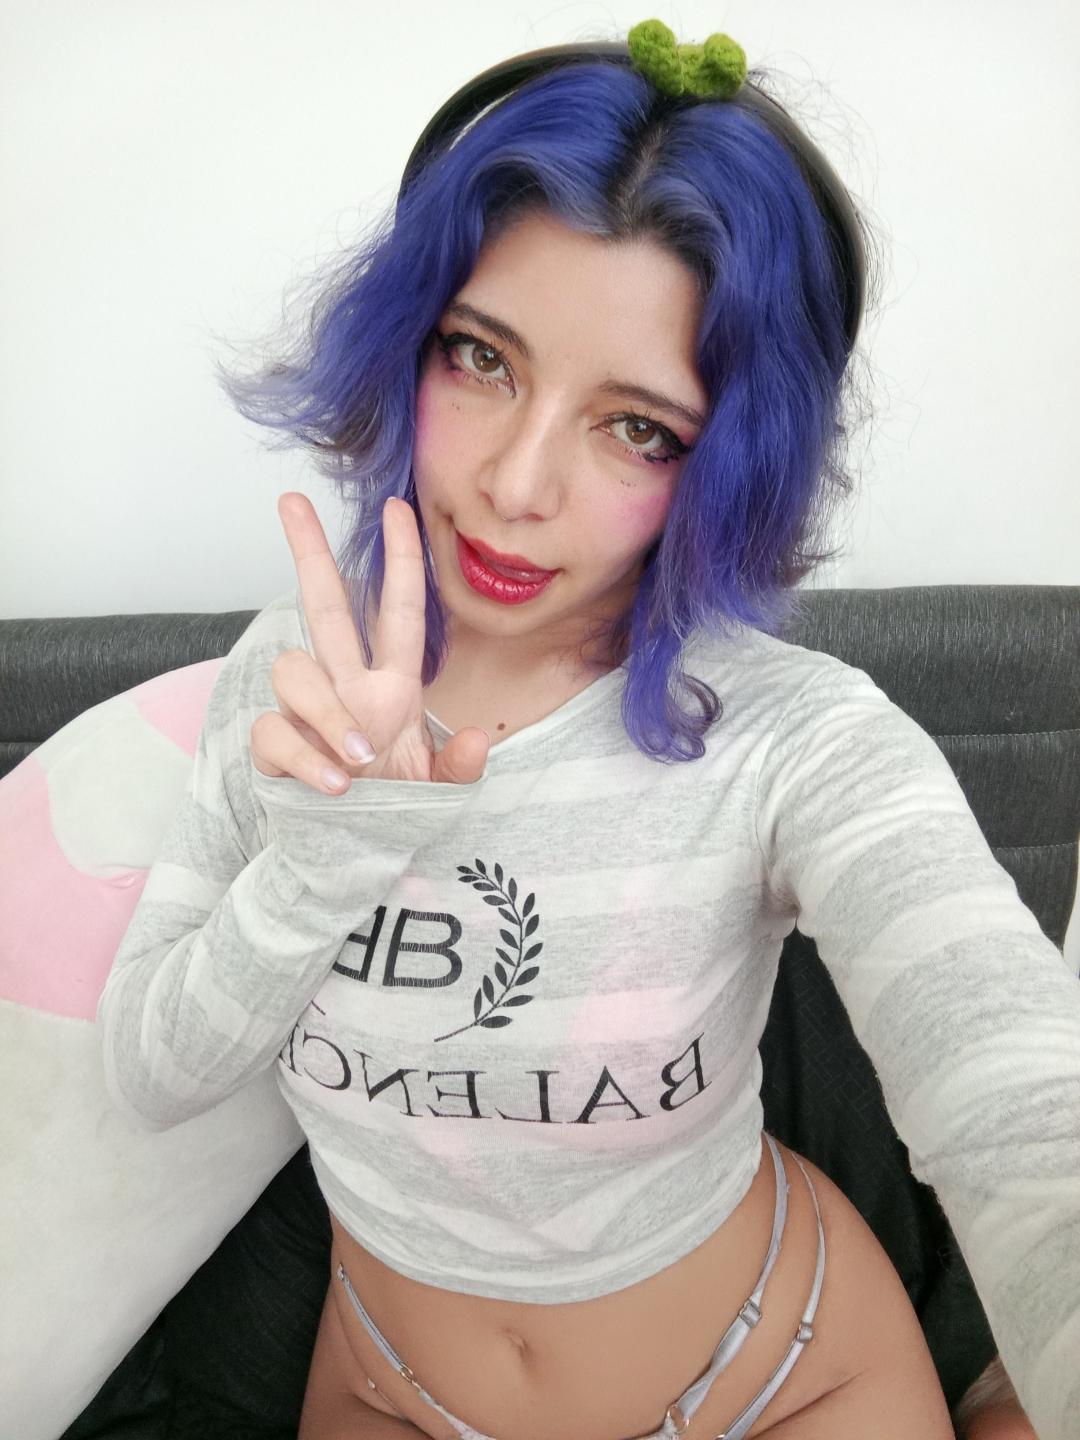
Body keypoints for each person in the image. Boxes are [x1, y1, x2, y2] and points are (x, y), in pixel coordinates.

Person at [97, 19, 1080, 1440]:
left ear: (726, 461)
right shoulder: (287, 683)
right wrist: (322, 863)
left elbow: (1018, 1105)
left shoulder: (792, 735)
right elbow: (149, 1074)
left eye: (640, 430)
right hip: (395, 1392)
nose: (516, 484)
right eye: (479, 357)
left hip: (788, 1373)